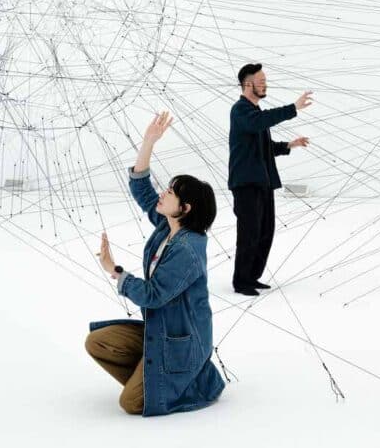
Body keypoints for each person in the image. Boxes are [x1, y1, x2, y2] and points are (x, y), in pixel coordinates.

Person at [85, 112, 225, 415]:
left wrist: (115, 271)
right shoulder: (168, 227)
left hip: (182, 343)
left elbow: (153, 295)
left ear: (184, 209)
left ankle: (196, 380)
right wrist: (149, 141)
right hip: (160, 331)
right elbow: (142, 189)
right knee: (97, 342)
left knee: (131, 403)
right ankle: (153, 376)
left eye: (170, 193)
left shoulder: (189, 249)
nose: (163, 194)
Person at [229, 63, 312, 296]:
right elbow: (259, 122)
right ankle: (241, 281)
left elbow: (265, 146)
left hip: (263, 183)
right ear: (248, 84)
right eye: (261, 81)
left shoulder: (255, 114)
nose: (265, 85)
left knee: (265, 231)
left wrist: (288, 145)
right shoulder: (240, 111)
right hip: (246, 184)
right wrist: (293, 108)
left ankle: (252, 277)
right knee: (249, 233)